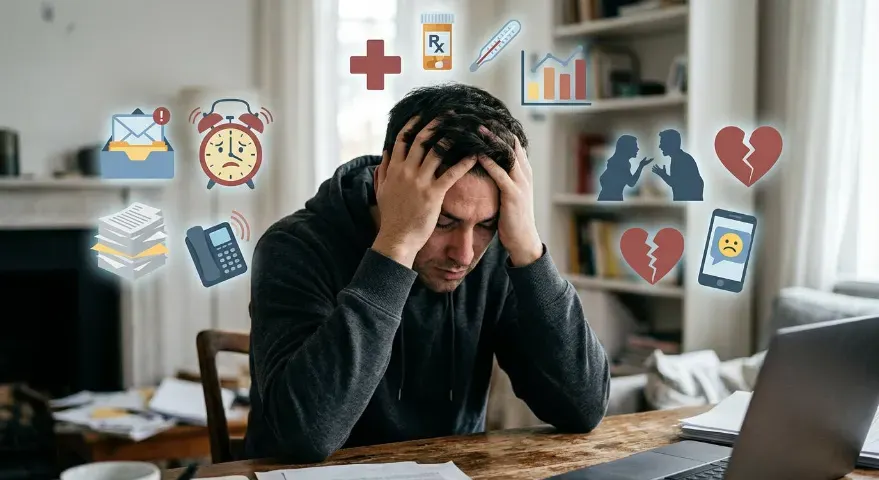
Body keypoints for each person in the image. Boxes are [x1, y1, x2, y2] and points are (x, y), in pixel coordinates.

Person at [244, 84, 611, 463]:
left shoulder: (498, 253)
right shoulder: (294, 246)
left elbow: (582, 408)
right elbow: (304, 437)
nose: (464, 253)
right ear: (386, 182)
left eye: (485, 224)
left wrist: (530, 251)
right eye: (443, 220)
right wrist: (396, 246)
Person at [651, 129, 704, 201]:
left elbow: (677, 184)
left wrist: (663, 175)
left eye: (662, 143)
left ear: (671, 144)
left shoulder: (681, 159)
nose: (660, 146)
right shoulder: (680, 158)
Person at [596, 135, 653, 201]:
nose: (637, 149)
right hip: (610, 202)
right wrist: (641, 166)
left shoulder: (619, 161)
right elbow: (631, 183)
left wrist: (641, 166)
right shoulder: (620, 163)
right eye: (635, 146)